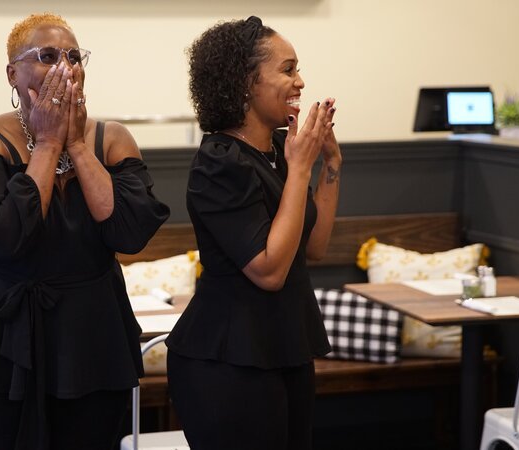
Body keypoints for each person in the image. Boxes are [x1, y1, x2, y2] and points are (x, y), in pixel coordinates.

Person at [0, 13, 170, 450]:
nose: (65, 66)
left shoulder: (111, 138)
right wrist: (48, 143)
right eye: (48, 56)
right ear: (12, 74)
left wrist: (75, 144)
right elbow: (5, 239)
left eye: (75, 57)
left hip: (89, 334)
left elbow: (129, 233)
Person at [165, 16, 342, 450]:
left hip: (284, 345)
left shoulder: (281, 155)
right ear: (246, 82)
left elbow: (313, 249)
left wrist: (331, 165)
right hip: (229, 359)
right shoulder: (220, 162)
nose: (300, 82)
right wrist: (301, 168)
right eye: (287, 69)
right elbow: (269, 271)